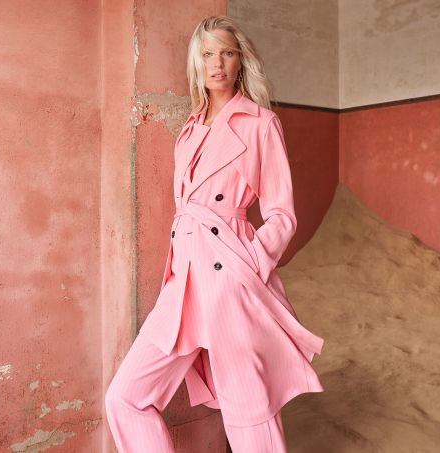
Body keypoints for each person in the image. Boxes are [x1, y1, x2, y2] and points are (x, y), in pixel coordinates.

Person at [104, 15, 324, 453]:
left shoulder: (260, 123)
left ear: (241, 61)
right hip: (183, 282)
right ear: (197, 62)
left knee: (248, 412)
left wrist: (248, 264)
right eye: (207, 54)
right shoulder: (189, 129)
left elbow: (282, 214)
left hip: (231, 277)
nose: (217, 64)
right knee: (125, 397)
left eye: (226, 53)